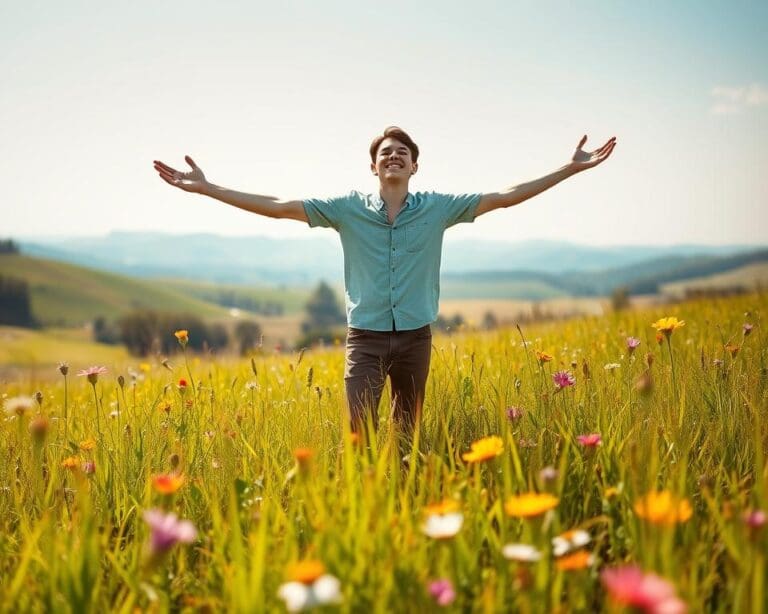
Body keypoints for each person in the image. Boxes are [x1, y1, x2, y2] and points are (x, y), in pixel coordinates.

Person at [153, 127, 616, 437]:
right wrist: (210, 188)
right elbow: (277, 205)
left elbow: (506, 197)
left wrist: (570, 168)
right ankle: (365, 506)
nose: (393, 157)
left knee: (407, 434)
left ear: (414, 167)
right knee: (359, 434)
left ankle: (404, 503)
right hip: (366, 339)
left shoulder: (439, 207)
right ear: (373, 168)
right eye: (384, 154)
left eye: (403, 153)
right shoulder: (345, 209)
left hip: (416, 338)